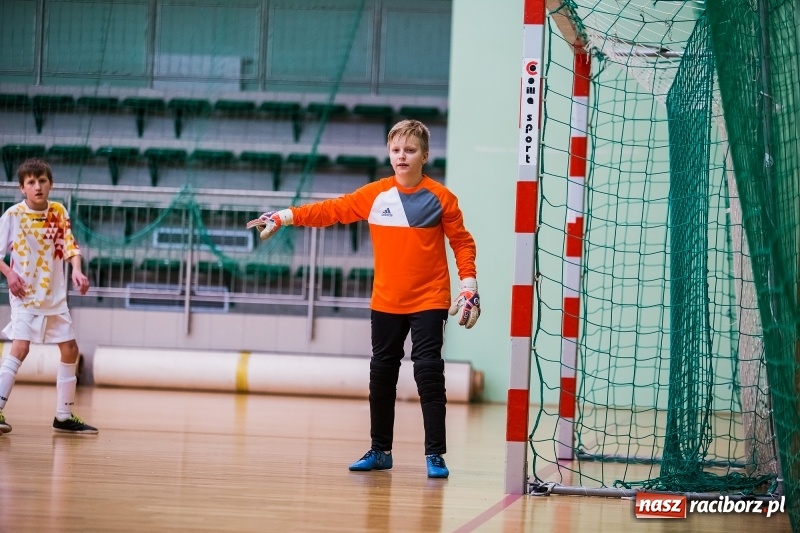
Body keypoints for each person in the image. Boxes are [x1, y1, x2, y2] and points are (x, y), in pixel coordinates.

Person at [246, 120, 479, 478]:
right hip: (386, 300)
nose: (402, 156)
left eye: (410, 150)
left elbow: (462, 243)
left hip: (430, 299)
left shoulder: (441, 199)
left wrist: (469, 285)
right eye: (396, 150)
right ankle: (380, 451)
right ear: (390, 154)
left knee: (428, 373)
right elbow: (331, 209)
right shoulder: (375, 195)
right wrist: (284, 216)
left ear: (425, 156)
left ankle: (435, 455)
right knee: (381, 376)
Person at [0, 158, 97, 435]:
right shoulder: (13, 216)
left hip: (53, 297)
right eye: (31, 182)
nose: (37, 186)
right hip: (25, 295)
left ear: (50, 184)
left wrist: (77, 271)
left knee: (70, 350)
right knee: (21, 347)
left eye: (42, 180)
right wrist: (9, 274)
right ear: (22, 188)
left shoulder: (57, 211)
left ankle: (63, 417)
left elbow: (70, 247)